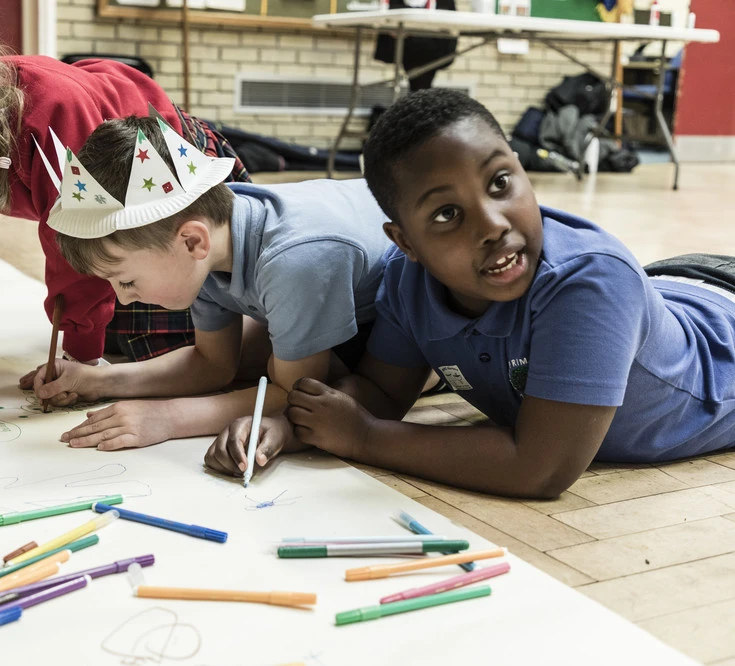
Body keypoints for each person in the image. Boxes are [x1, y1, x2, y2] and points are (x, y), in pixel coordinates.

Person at [275, 89, 735, 499]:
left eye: (499, 182)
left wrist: (367, 438)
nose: (493, 224)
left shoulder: (589, 284)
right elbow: (379, 392)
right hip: (673, 288)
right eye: (447, 213)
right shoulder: (407, 280)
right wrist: (282, 426)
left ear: (521, 167)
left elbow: (539, 469)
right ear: (406, 243)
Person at [0, 0, 249, 372]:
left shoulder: (53, 113)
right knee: (115, 327)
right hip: (113, 220)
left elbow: (79, 234)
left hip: (173, 173)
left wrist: (81, 356)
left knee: (152, 346)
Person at [32, 114, 392, 474]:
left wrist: (168, 418)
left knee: (310, 382)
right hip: (339, 297)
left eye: (126, 281)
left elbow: (292, 393)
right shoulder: (205, 248)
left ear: (192, 240)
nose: (123, 299)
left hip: (410, 310)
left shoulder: (294, 260)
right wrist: (97, 381)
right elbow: (213, 364)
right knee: (265, 358)